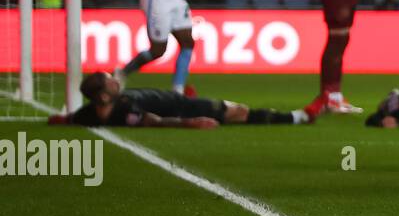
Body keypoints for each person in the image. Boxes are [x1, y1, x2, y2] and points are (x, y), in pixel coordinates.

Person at [58, 72, 309, 128]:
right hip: (183, 107)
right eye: (110, 80)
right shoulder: (124, 109)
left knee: (236, 110)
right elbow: (152, 121)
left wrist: (59, 119)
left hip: (175, 98)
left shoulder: (90, 112)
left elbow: (70, 118)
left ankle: (295, 117)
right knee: (240, 111)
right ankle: (296, 118)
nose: (115, 79)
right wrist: (190, 122)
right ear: (103, 95)